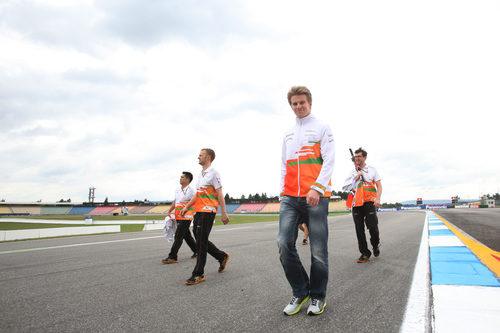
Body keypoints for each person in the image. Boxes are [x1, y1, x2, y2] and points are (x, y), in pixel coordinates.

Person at [278, 86, 335, 316]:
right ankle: (301, 291)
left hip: (316, 197)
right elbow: (284, 165)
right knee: (283, 244)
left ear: (309, 103)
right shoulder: (288, 133)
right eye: (294, 103)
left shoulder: (322, 127)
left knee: (318, 251)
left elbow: (329, 160)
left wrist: (317, 188)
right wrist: (282, 193)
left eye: (302, 102)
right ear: (291, 106)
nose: (298, 106)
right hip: (290, 197)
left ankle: (318, 296)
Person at [180, 148, 230, 285]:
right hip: (198, 211)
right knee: (200, 240)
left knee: (201, 242)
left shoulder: (214, 173)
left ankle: (198, 273)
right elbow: (197, 194)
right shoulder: (201, 175)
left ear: (208, 158)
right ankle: (222, 256)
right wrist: (186, 207)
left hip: (208, 212)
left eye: (200, 155)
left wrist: (224, 213)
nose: (198, 157)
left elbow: (220, 193)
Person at [342, 147, 382, 263]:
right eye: (356, 157)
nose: (357, 158)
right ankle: (365, 253)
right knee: (359, 230)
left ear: (364, 157)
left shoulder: (372, 170)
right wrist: (356, 177)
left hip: (369, 202)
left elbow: (379, 185)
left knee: (373, 228)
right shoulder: (352, 171)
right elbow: (345, 187)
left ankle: (375, 245)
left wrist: (378, 199)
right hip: (356, 203)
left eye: (359, 156)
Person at [161, 171, 198, 264]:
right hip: (178, 215)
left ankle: (173, 256)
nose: (180, 179)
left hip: (186, 215)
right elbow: (175, 201)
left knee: (178, 235)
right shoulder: (177, 190)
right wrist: (170, 210)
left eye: (182, 177)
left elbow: (195, 201)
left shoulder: (192, 190)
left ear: (188, 179)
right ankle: (197, 251)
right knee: (186, 235)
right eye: (180, 177)